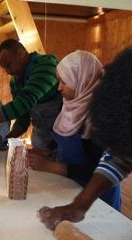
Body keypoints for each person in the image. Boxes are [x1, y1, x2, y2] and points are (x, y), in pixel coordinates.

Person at [38, 47, 132, 230]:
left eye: (63, 82)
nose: (59, 88)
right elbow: (118, 158)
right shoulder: (115, 112)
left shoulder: (111, 113)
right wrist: (79, 205)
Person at [28, 50, 120, 210]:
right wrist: (47, 150)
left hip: (97, 196)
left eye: (64, 82)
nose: (58, 88)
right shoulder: (69, 104)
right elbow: (61, 134)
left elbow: (100, 169)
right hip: (72, 184)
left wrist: (50, 166)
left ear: (81, 80)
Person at [0, 39, 62, 152]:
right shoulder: (15, 82)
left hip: (62, 138)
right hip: (40, 138)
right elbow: (22, 118)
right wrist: (4, 139)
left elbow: (23, 104)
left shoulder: (47, 65)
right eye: (3, 68)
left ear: (21, 54)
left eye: (8, 65)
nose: (7, 72)